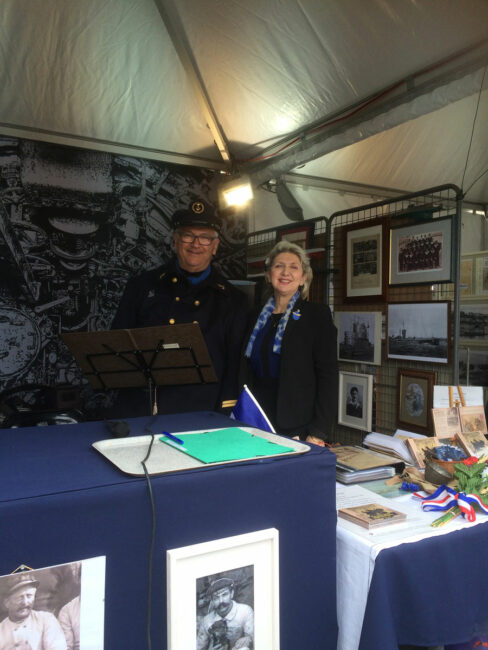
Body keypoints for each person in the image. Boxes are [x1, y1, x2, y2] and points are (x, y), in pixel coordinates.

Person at [110, 199, 249, 416]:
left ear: (215, 247)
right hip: (145, 406)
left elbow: (235, 365)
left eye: (204, 238)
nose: (195, 244)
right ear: (176, 241)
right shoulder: (142, 286)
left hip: (200, 411)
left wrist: (226, 410)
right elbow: (117, 343)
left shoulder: (234, 300)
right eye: (188, 235)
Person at [241, 241, 338, 445]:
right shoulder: (253, 317)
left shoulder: (316, 315)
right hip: (255, 420)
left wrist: (318, 431)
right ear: (268, 275)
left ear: (303, 277)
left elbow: (328, 376)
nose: (285, 272)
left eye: (294, 267)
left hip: (298, 425)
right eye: (278, 266)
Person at [0, 573, 67, 650]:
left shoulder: (47, 620)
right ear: (7, 603)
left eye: (29, 596)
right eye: (19, 598)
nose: (25, 602)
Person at [196, 578, 253, 650]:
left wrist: (248, 638)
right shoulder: (206, 621)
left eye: (224, 595)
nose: (221, 601)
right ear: (212, 601)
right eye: (216, 598)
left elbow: (255, 638)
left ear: (231, 594)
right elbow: (198, 647)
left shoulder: (245, 611)